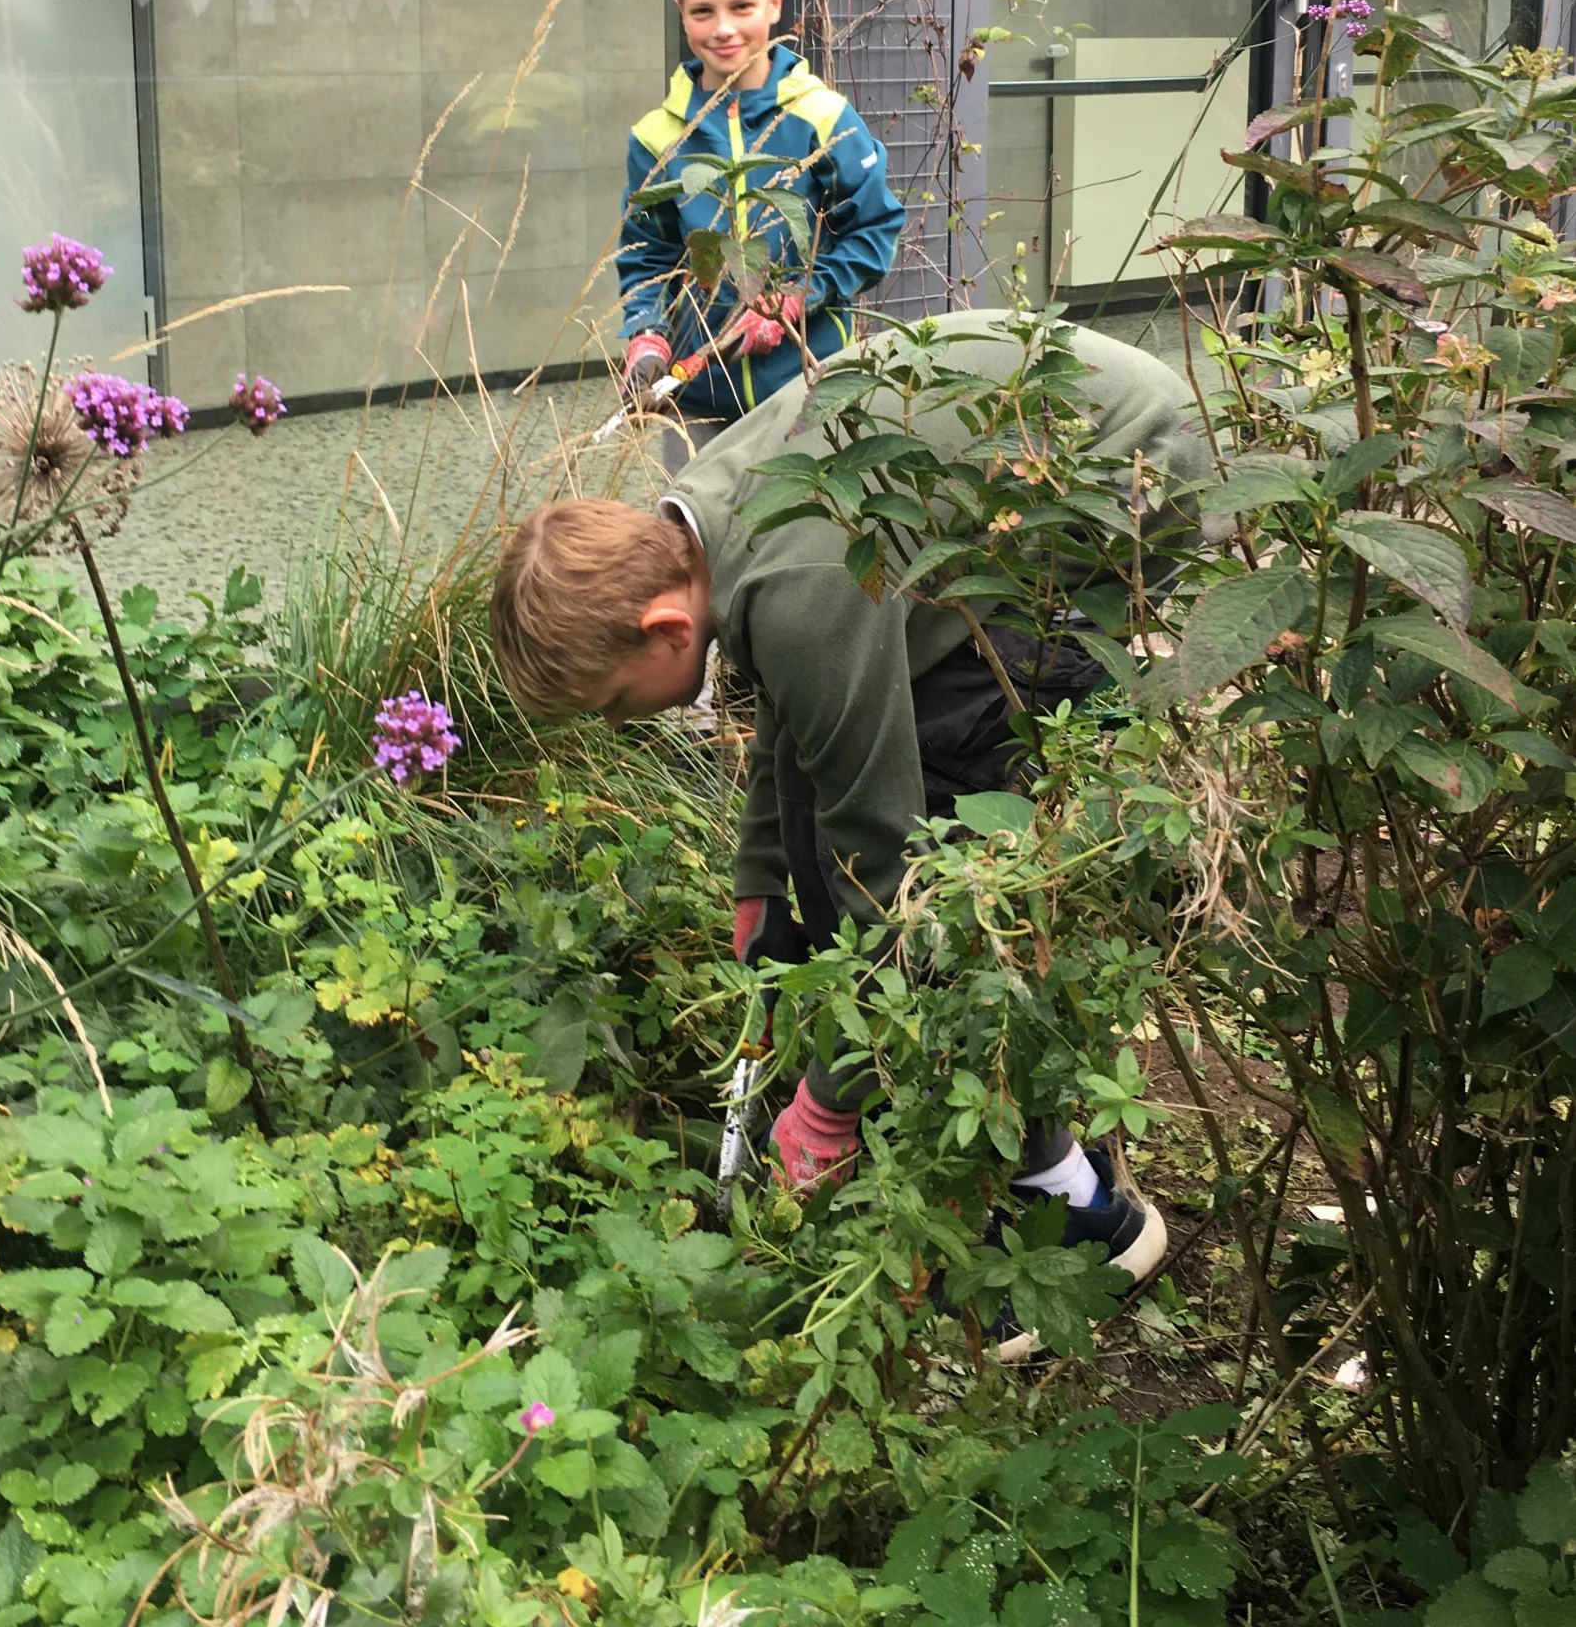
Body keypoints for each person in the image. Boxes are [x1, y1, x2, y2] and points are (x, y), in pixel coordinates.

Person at [492, 312, 1212, 1341]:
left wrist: (827, 1102)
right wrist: (762, 879)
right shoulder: (697, 521)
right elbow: (796, 708)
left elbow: (899, 869)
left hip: (1131, 477)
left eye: (613, 701)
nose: (621, 722)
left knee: (960, 847)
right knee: (857, 857)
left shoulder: (795, 588)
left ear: (658, 627)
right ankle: (971, 1120)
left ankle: (1079, 1204)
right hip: (1042, 463)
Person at [618, 0, 904, 474]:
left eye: (741, 7)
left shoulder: (822, 118)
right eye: (704, 11)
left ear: (774, 3)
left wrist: (799, 297)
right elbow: (645, 256)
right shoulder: (656, 136)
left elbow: (873, 230)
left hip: (807, 380)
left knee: (804, 533)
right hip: (696, 395)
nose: (723, 28)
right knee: (697, 539)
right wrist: (646, 335)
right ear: (682, 15)